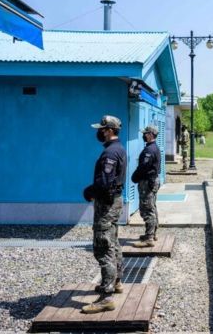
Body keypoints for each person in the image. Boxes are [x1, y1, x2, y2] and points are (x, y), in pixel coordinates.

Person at [81, 115, 127, 313]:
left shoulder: (110, 153)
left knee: (103, 246)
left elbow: (105, 183)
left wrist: (89, 192)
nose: (98, 132)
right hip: (115, 202)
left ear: (109, 130)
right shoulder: (119, 149)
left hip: (107, 205)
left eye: (101, 129)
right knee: (113, 241)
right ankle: (116, 282)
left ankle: (106, 297)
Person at [131, 125, 161, 248]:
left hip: (147, 182)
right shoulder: (153, 148)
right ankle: (152, 233)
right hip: (152, 180)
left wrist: (135, 177)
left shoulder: (149, 150)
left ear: (150, 134)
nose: (143, 135)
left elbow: (143, 167)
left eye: (145, 133)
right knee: (152, 206)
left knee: (147, 209)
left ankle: (149, 238)